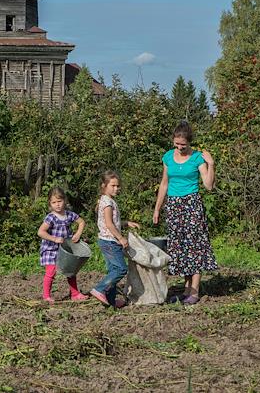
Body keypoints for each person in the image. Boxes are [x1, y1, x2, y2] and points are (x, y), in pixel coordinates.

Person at [152, 120, 218, 305]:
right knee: (180, 248)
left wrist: (211, 164)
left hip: (191, 205)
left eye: (183, 144)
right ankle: (186, 289)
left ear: (189, 142)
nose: (180, 147)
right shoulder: (168, 157)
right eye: (177, 144)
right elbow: (164, 183)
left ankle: (195, 292)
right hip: (173, 206)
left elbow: (208, 185)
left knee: (194, 247)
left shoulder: (197, 158)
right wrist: (158, 208)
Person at [90, 171, 140, 308]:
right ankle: (99, 289)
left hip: (107, 240)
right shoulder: (107, 202)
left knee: (113, 270)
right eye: (113, 186)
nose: (116, 189)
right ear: (104, 186)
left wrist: (126, 223)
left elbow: (114, 222)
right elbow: (109, 224)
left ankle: (111, 302)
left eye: (118, 186)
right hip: (110, 241)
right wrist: (121, 238)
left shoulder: (107, 200)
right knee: (121, 270)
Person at [37, 187, 89, 303]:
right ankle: (46, 296)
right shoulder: (51, 217)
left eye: (59, 201)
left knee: (70, 270)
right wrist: (54, 238)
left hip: (64, 248)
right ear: (50, 204)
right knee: (51, 271)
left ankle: (75, 294)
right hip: (50, 249)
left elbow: (81, 222)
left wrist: (78, 234)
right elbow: (41, 232)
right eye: (54, 202)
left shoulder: (69, 215)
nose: (57, 205)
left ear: (64, 201)